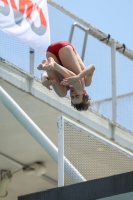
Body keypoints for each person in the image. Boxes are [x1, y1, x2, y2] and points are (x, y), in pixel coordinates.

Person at [37, 41, 95, 111]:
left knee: (62, 94)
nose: (73, 94)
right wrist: (78, 77)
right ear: (84, 92)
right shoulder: (85, 82)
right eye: (77, 96)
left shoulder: (65, 87)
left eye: (72, 97)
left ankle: (48, 66)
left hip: (50, 52)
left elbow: (44, 74)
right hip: (65, 48)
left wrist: (44, 80)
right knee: (80, 86)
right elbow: (92, 67)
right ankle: (55, 66)